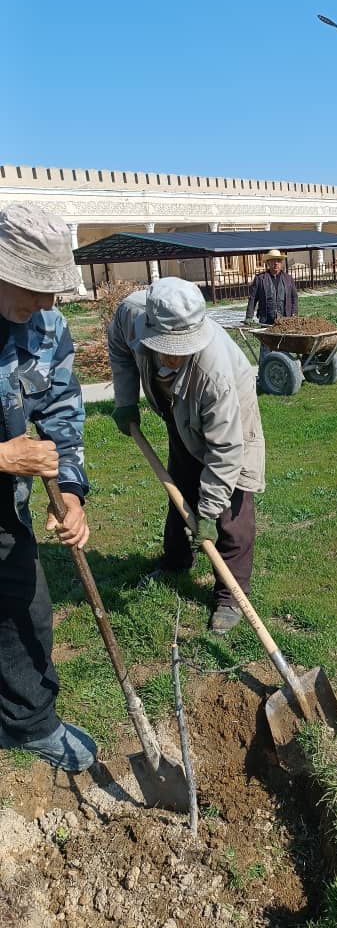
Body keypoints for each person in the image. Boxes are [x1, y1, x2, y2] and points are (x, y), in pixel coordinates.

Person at [108, 278, 265, 635]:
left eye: (182, 349)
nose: (174, 356)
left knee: (232, 510)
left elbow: (225, 451)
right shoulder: (131, 315)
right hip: (177, 409)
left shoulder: (215, 374)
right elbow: (118, 347)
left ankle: (230, 596)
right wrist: (125, 399)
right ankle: (177, 561)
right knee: (180, 484)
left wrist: (208, 513)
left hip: (231, 419)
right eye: (167, 348)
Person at [0, 204, 96, 773]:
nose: (45, 301)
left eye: (52, 289)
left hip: (5, 513)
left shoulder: (47, 327)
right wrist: (3, 456)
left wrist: (73, 496)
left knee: (24, 610)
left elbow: (62, 413)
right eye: (34, 286)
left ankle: (29, 723)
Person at [245, 249, 298, 326]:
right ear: (268, 263)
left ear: (281, 263)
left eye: (278, 261)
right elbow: (253, 298)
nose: (276, 263)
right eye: (273, 260)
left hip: (286, 319)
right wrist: (249, 316)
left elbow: (294, 297)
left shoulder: (288, 279)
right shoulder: (260, 279)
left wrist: (294, 313)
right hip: (266, 320)